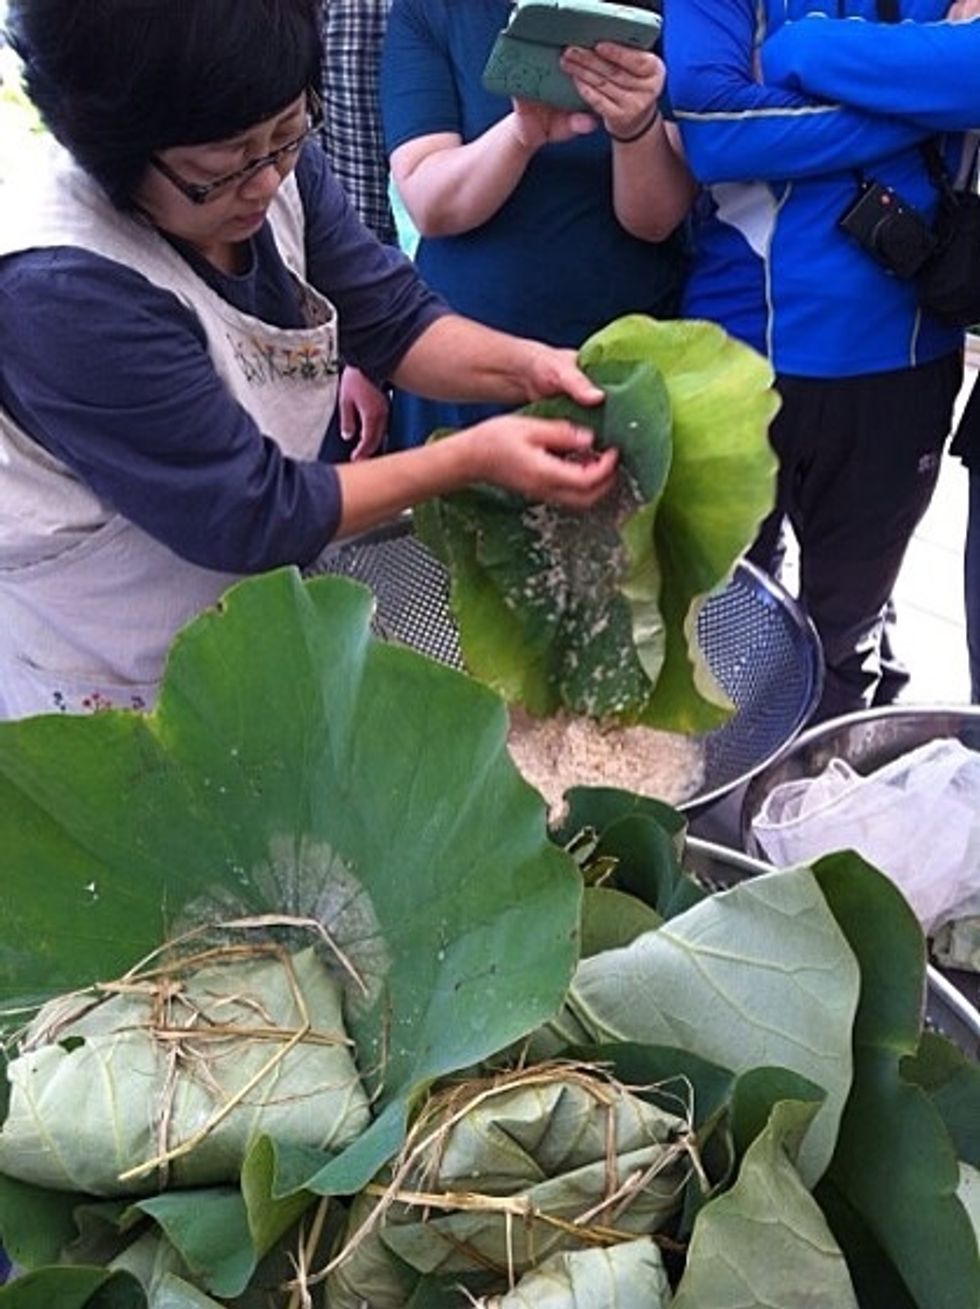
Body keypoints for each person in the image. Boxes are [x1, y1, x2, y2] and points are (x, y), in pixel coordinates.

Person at [0, 0, 619, 723]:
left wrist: (536, 369)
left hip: (245, 610)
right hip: (112, 667)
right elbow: (251, 509)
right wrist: (474, 458)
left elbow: (393, 318)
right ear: (114, 152)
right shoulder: (63, 292)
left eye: (287, 135)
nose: (265, 181)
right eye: (219, 171)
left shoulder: (265, 152)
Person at [665, 0, 980, 720]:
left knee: (847, 638)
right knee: (710, 629)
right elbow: (714, 132)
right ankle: (710, 812)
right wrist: (931, 101)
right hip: (736, 359)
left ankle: (806, 816)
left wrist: (807, 49)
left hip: (904, 363)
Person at [378, 0, 694, 451]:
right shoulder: (435, 11)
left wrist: (634, 124)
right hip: (467, 362)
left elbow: (656, 221)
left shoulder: (659, 18)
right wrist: (522, 134)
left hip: (622, 359)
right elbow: (431, 204)